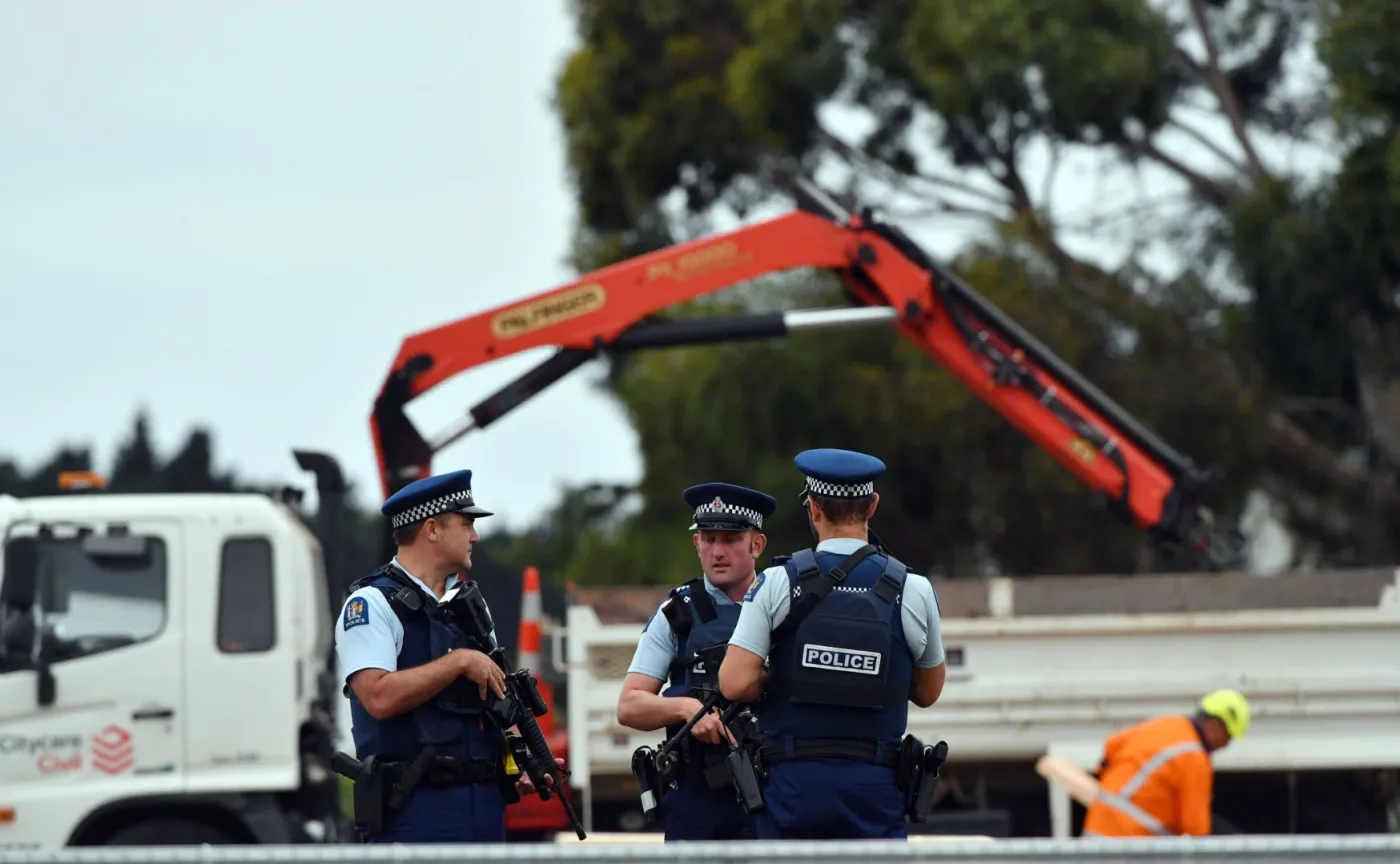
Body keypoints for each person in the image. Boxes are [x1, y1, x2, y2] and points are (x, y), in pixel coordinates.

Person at [718, 448, 947, 840]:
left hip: (793, 788)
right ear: (872, 506)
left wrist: (774, 680)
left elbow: (735, 683)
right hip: (875, 788)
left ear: (814, 508)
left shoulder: (777, 582)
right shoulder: (914, 589)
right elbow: (928, 691)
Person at [334, 469, 557, 843]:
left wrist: (519, 767)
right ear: (432, 529)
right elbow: (378, 697)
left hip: (484, 806)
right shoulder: (370, 604)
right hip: (415, 810)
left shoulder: (469, 607)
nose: (476, 535)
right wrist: (458, 663)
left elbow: (493, 700)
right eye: (467, 523)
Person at [618, 482, 778, 841]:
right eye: (708, 539)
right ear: (696, 544)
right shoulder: (678, 614)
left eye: (731, 539)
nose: (718, 551)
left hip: (772, 793)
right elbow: (629, 705)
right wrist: (688, 710)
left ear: (756, 545)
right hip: (697, 800)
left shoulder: (780, 608)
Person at [1081, 689, 1251, 838]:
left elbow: (1113, 744)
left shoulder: (1166, 724)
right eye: (1228, 737)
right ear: (1216, 726)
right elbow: (1195, 828)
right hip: (1133, 846)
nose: (1226, 744)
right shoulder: (1194, 759)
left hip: (1096, 832)